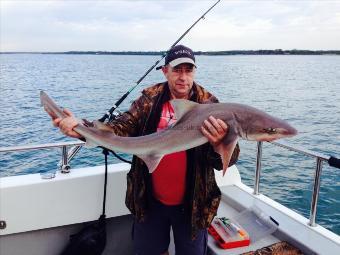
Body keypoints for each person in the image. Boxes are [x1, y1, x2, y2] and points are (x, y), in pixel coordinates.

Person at [50, 45, 240, 255]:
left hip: (194, 205)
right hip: (149, 201)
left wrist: (218, 143)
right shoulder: (149, 100)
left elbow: (228, 161)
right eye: (177, 70)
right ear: (165, 71)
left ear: (195, 71)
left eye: (188, 70)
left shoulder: (209, 105)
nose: (183, 77)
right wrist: (81, 129)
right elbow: (120, 128)